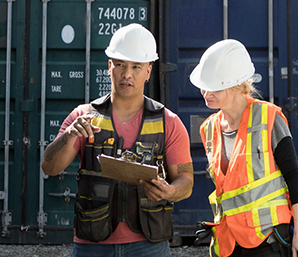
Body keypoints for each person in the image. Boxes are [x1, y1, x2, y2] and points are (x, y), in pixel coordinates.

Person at [41, 23, 194, 257]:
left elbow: (186, 181)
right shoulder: (83, 117)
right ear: (109, 67)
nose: (127, 74)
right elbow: (49, 168)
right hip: (92, 245)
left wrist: (169, 192)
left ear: (148, 72)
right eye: (120, 64)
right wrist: (69, 135)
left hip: (149, 246)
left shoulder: (168, 122)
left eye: (136, 66)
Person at [189, 39, 298, 257]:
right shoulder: (208, 129)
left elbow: (293, 177)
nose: (205, 92)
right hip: (228, 243)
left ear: (237, 85)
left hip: (268, 240)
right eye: (204, 85)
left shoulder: (269, 118)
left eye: (214, 86)